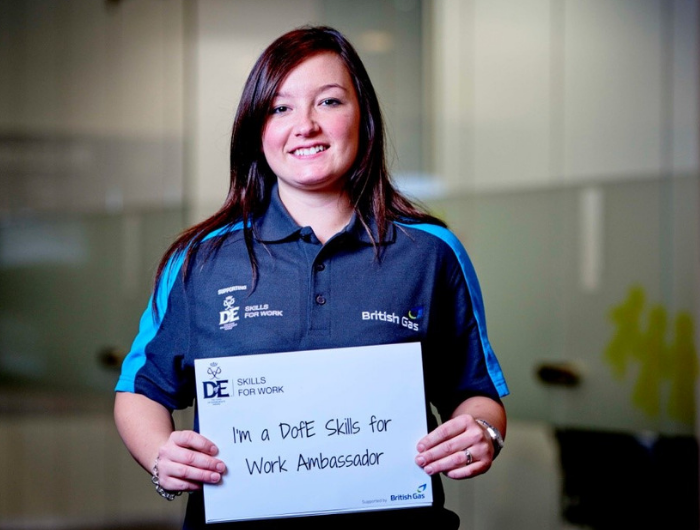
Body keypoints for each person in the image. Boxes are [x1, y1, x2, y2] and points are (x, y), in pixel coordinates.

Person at [114, 25, 508, 529]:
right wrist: (161, 456)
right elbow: (140, 390)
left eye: (329, 102)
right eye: (280, 108)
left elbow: (475, 393)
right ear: (257, 129)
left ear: (363, 118)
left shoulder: (431, 253)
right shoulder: (200, 261)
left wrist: (480, 432)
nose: (305, 126)